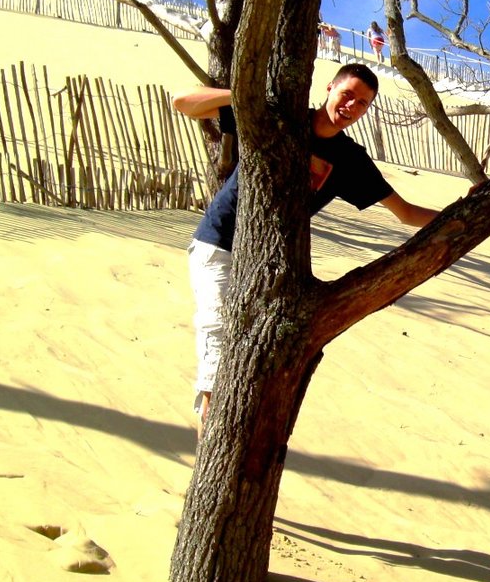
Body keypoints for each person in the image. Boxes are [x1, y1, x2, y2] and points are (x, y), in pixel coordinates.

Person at [173, 63, 440, 438]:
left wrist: (468, 208)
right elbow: (183, 102)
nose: (351, 106)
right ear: (330, 87)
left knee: (255, 353)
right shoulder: (279, 117)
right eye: (348, 94)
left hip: (267, 262)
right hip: (219, 242)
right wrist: (250, 102)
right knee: (219, 338)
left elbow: (406, 213)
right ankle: (211, 440)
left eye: (362, 103)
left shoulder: (349, 160)